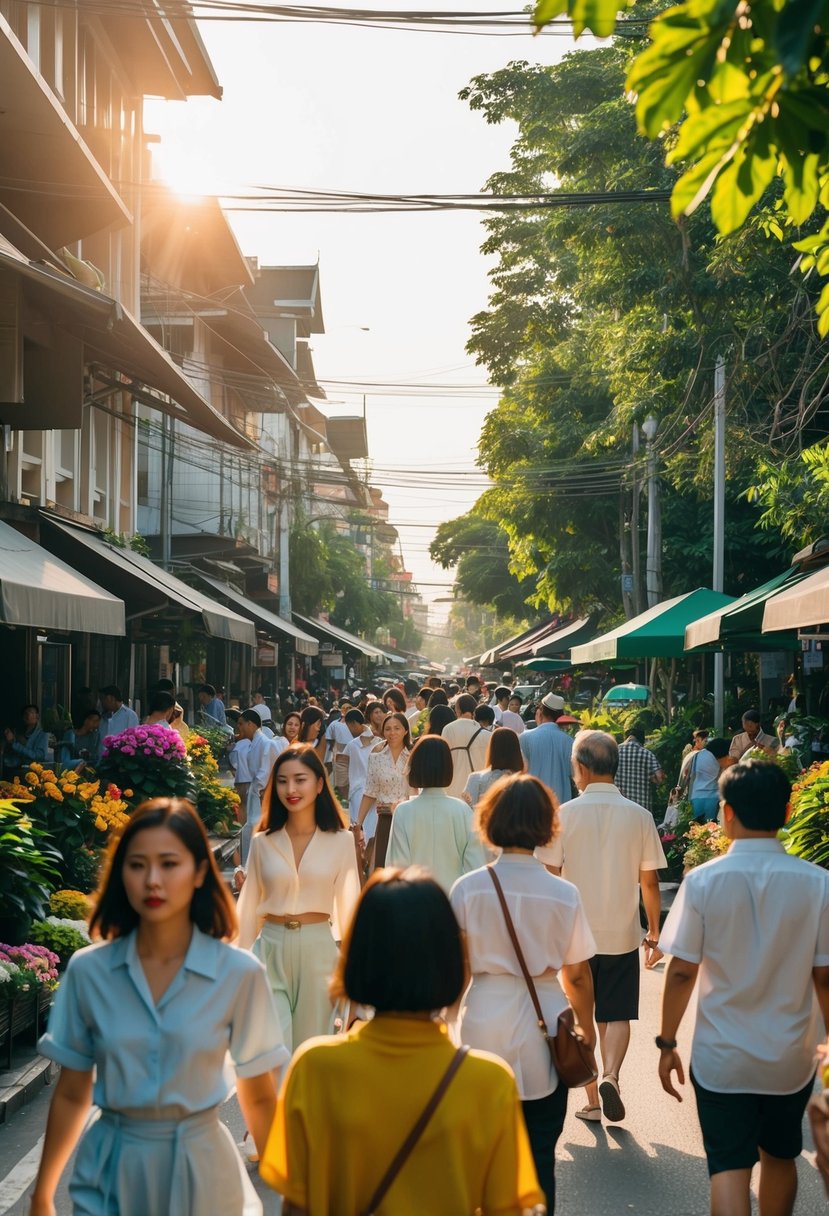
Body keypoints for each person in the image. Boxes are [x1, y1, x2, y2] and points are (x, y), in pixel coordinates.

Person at [31, 798, 287, 1216]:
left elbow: (258, 1097)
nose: (153, 880)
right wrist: (43, 1195)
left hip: (203, 1172)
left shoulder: (239, 973)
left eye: (169, 864)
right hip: (110, 1172)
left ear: (200, 871)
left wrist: (289, 1194)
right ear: (121, 874)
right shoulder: (89, 971)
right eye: (137, 865)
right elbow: (73, 1090)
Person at [260, 867, 545, 1216]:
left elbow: (296, 1205)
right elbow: (507, 1209)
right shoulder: (489, 1082)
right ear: (450, 963)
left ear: (357, 958)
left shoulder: (315, 1067)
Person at [657, 760, 829, 1216]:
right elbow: (825, 977)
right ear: (788, 809)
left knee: (729, 1167)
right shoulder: (819, 884)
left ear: (726, 812)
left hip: (721, 1057)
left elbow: (680, 971)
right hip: (790, 1057)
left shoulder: (703, 881)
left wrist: (667, 1041)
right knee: (781, 1154)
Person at [451, 774, 596, 1213]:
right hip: (547, 1023)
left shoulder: (468, 888)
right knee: (539, 1156)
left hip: (483, 1020)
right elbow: (579, 974)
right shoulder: (563, 893)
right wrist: (586, 1027)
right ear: (545, 825)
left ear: (490, 823)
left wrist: (444, 1023)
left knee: (481, 1153)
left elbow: (458, 970)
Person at [537, 729, 666, 1124]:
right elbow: (649, 882)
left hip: (576, 937)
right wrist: (654, 933)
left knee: (581, 1016)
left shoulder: (564, 816)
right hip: (622, 934)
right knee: (617, 1015)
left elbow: (550, 877)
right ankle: (612, 1074)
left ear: (580, 768)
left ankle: (592, 1098)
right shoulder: (640, 816)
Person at [235, 746, 361, 1052]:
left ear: (319, 784)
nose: (290, 789)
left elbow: (350, 910)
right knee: (271, 1050)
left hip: (318, 950)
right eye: (282, 781)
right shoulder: (262, 841)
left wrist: (356, 981)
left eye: (300, 780)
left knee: (310, 1051)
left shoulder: (341, 841)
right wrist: (237, 971)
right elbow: (248, 908)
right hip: (270, 950)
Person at [387, 736, 487, 892]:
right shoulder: (463, 810)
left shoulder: (404, 811)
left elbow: (397, 866)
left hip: (413, 903)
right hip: (454, 905)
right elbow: (475, 868)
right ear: (448, 767)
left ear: (416, 766)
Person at [356, 713, 412, 867]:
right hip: (385, 819)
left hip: (409, 819)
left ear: (405, 731)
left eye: (397, 728)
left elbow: (417, 790)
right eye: (388, 729)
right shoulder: (376, 758)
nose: (392, 732)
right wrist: (358, 823)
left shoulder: (414, 756)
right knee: (382, 865)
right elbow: (370, 791)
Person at [519, 693, 574, 807]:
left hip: (532, 801)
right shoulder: (569, 741)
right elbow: (572, 773)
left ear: (541, 712)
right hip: (561, 803)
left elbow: (522, 770)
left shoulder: (525, 737)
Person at [463, 726, 525, 808]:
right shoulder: (526, 783)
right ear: (516, 750)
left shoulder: (475, 778)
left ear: (492, 748)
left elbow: (468, 811)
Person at [443, 694, 491, 799]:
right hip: (479, 789)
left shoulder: (448, 729)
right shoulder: (487, 734)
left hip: (453, 788)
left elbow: (444, 761)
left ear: (458, 710)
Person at [615, 726, 664, 813]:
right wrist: (654, 779)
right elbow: (660, 777)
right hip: (642, 808)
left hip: (619, 806)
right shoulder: (648, 754)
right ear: (641, 740)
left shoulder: (614, 752)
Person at [3, 704, 50, 775]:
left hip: (32, 772)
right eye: (25, 713)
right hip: (14, 768)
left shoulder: (42, 734)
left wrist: (14, 743)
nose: (27, 715)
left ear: (37, 716)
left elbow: (39, 756)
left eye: (30, 712)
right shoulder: (19, 732)